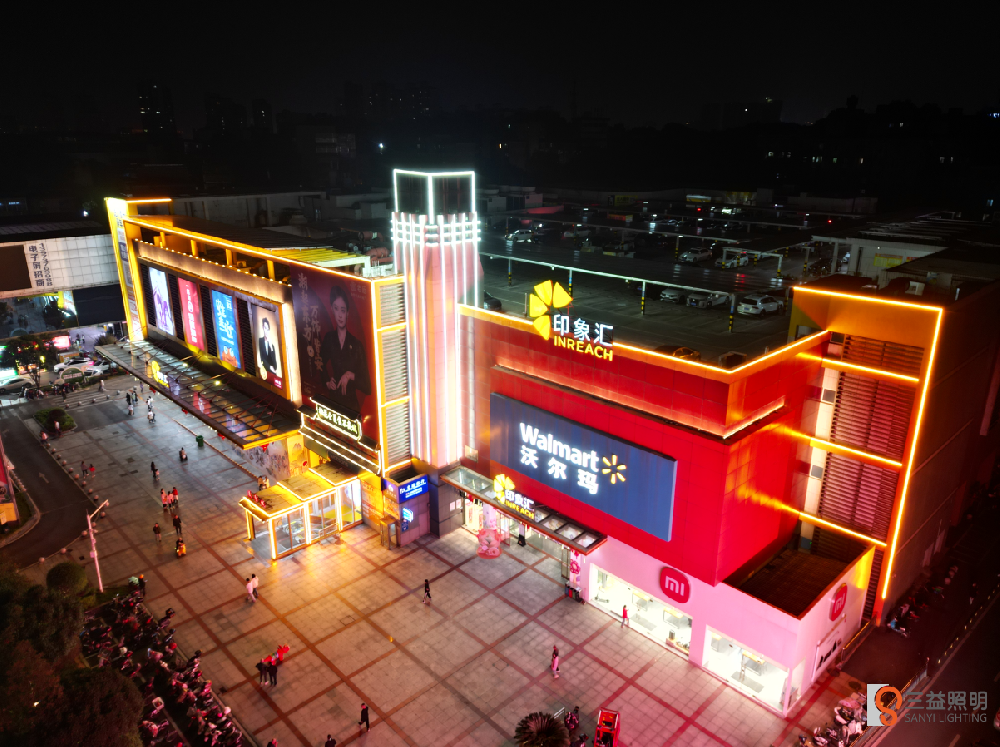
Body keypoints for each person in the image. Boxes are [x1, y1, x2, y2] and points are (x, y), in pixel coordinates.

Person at [320, 285, 372, 411]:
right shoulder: (329, 338)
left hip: (351, 406)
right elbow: (319, 362)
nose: (340, 315)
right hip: (333, 402)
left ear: (347, 313)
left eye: (343, 310)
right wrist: (327, 381)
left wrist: (350, 375)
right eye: (336, 309)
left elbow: (367, 387)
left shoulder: (356, 345)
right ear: (332, 309)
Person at [257, 315, 280, 379]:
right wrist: (270, 367)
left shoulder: (272, 346)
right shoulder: (260, 341)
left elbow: (275, 366)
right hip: (265, 373)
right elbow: (262, 359)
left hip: (272, 375)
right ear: (262, 327)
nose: (266, 331)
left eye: (267, 329)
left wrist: (271, 348)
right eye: (265, 328)